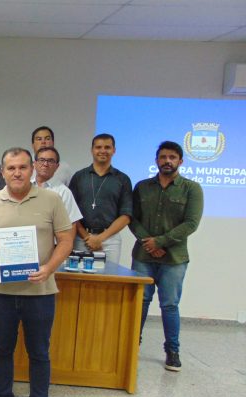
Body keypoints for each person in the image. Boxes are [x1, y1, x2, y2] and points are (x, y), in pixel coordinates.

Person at [0, 148, 73, 397]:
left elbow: (66, 239)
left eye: (21, 167)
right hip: (1, 292)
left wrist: (48, 269)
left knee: (39, 354)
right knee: (2, 350)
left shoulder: (52, 199)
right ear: (2, 172)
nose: (16, 173)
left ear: (32, 169)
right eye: (10, 168)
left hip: (40, 292)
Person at [129, 141, 203, 372]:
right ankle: (132, 345)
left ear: (180, 161)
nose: (167, 161)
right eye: (163, 157)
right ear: (156, 160)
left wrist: (160, 242)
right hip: (143, 255)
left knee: (170, 304)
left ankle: (172, 351)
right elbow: (132, 218)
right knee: (139, 302)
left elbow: (191, 223)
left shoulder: (192, 189)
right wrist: (149, 243)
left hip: (174, 258)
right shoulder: (142, 187)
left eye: (172, 157)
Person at [68, 133, 133, 265]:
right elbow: (70, 212)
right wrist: (87, 237)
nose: (103, 151)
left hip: (110, 240)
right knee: (79, 280)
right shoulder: (79, 177)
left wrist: (100, 238)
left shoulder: (122, 179)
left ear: (114, 150)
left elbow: (126, 216)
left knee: (108, 280)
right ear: (92, 150)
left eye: (107, 147)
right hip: (82, 239)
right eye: (98, 147)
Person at [33, 147, 82, 224]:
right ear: (34, 164)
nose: (45, 164)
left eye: (50, 161)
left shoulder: (64, 192)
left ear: (57, 166)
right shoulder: (25, 188)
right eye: (41, 160)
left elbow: (72, 224)